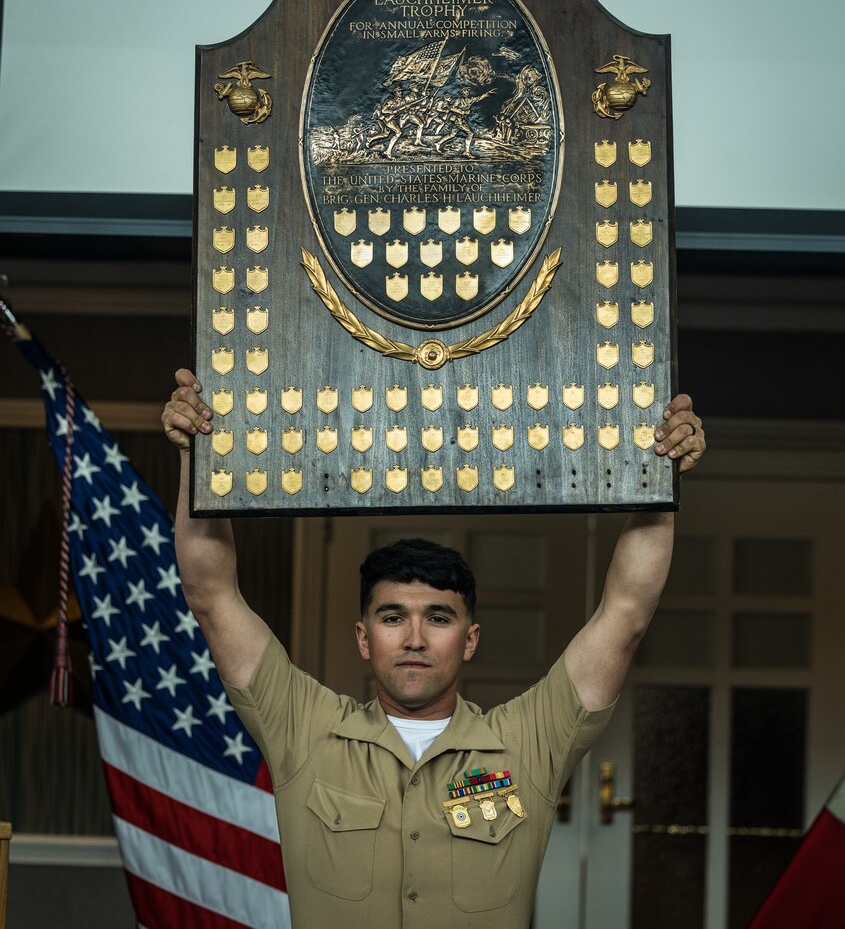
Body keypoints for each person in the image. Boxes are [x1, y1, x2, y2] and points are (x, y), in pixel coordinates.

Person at [162, 369, 705, 928]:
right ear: (363, 636)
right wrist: (196, 455)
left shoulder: (526, 743)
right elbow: (212, 595)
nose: (415, 638)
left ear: (470, 640)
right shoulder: (304, 729)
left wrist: (660, 475)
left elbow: (626, 614)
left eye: (438, 618)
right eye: (393, 617)